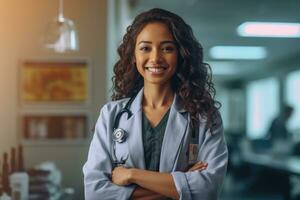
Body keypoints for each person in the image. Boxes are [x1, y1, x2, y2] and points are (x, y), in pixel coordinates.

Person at [83, 8, 228, 200]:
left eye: (167, 48)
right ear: (133, 55)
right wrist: (181, 185)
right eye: (145, 48)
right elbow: (95, 193)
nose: (155, 58)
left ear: (181, 55)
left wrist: (131, 175)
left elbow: (207, 189)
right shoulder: (111, 114)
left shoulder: (204, 116)